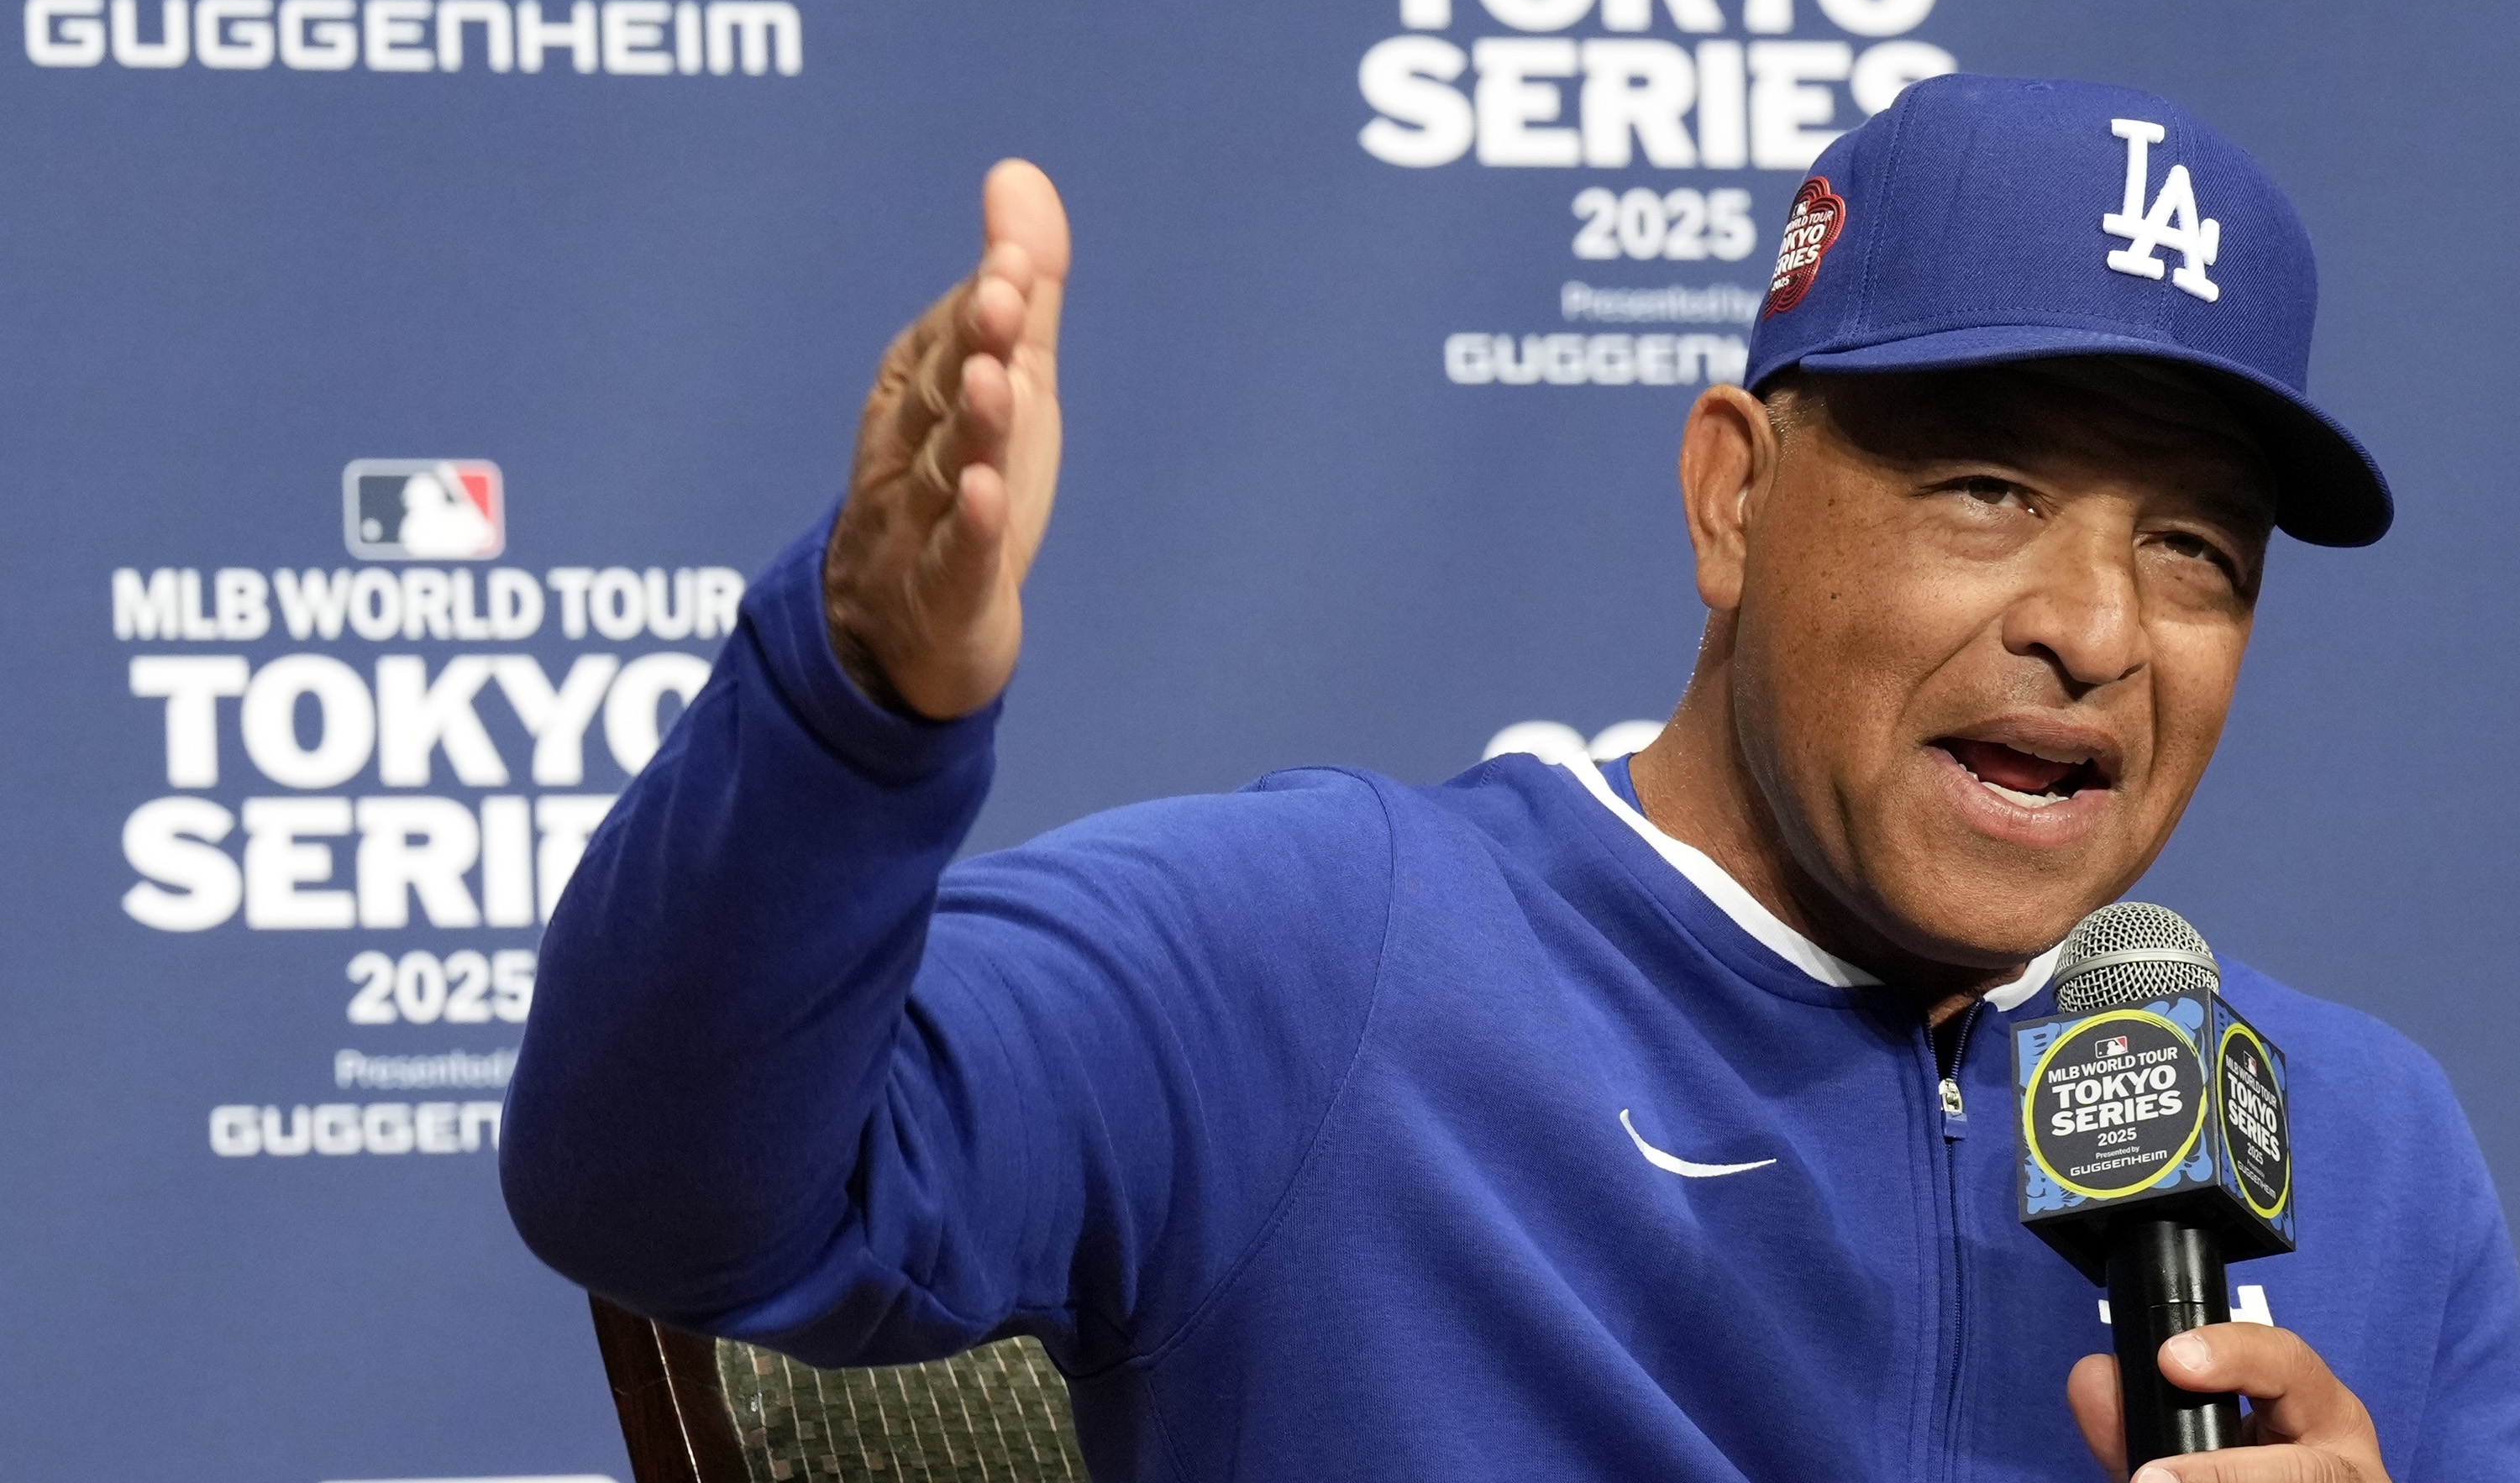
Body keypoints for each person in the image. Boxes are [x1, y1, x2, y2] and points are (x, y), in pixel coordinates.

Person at [501, 76, 2518, 1480]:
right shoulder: (1320, 956)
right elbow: (662, 1192)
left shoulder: (2368, 1144)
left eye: (2197, 551)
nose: (2097, 623)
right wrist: (855, 702)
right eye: (1986, 487)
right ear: (1736, 497)